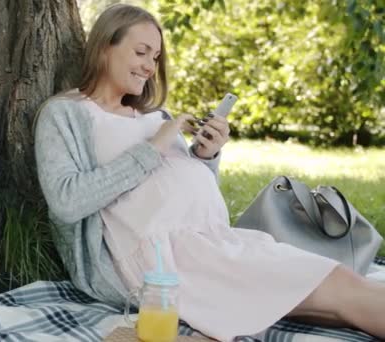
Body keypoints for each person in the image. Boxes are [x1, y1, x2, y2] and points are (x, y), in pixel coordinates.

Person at [33, 4, 385, 341]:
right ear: (105, 47)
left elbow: (187, 189)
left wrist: (206, 154)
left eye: (155, 58)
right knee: (343, 289)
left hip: (214, 241)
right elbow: (67, 200)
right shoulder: (66, 113)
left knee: (341, 297)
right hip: (165, 261)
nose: (149, 67)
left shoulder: (157, 117)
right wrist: (154, 146)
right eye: (141, 52)